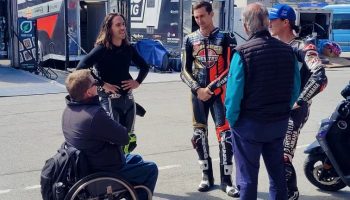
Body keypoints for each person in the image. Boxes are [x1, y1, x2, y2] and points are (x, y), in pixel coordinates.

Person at [225, 3, 301, 200]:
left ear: (246, 26)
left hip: (249, 126)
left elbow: (233, 96)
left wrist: (232, 120)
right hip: (278, 123)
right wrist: (284, 110)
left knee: (247, 178)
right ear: (267, 23)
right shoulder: (287, 51)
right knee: (277, 174)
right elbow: (295, 89)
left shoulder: (242, 52)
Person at [62, 69, 158, 200]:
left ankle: (131, 193)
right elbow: (124, 137)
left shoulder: (69, 110)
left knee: (136, 159)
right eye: (95, 83)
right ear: (89, 92)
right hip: (104, 170)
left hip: (85, 164)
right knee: (151, 169)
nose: (98, 85)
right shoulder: (94, 114)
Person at [269, 4, 328, 199]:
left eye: (273, 19)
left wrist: (300, 100)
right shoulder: (273, 44)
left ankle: (291, 194)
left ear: (286, 22)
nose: (269, 23)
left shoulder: (303, 47)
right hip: (275, 110)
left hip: (294, 112)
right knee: (274, 157)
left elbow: (320, 77)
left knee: (283, 158)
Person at [180, 1, 239, 197]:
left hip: (219, 94)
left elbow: (232, 68)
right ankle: (206, 176)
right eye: (196, 17)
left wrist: (211, 88)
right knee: (199, 136)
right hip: (198, 94)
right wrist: (198, 89)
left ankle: (227, 180)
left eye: (202, 16)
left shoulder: (226, 37)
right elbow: (184, 71)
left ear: (211, 14)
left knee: (226, 137)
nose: (199, 21)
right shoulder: (189, 39)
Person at [76, 13, 149, 154]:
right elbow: (81, 67)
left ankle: (124, 170)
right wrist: (102, 84)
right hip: (108, 100)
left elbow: (145, 67)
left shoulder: (128, 48)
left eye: (123, 24)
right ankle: (110, 170)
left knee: (129, 140)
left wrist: (137, 82)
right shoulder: (102, 49)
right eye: (118, 25)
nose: (123, 28)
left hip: (127, 99)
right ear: (109, 29)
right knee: (111, 139)